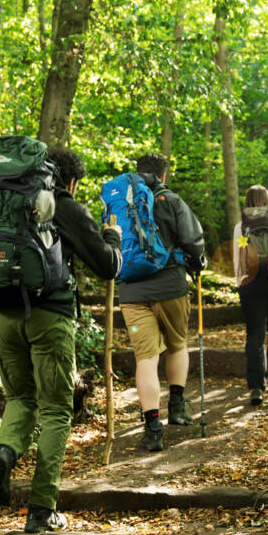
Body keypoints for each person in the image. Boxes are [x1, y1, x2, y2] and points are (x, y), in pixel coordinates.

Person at [0, 146, 122, 533]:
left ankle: (4, 452)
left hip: (1, 316)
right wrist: (113, 238)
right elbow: (107, 265)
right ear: (70, 180)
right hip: (49, 316)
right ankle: (41, 509)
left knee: (20, 399)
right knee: (55, 410)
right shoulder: (64, 206)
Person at [119, 154, 205, 452]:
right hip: (171, 286)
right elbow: (193, 241)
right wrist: (197, 263)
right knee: (177, 344)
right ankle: (178, 409)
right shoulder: (172, 201)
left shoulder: (121, 200)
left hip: (131, 292)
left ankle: (152, 428)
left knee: (145, 358)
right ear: (163, 176)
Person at [232, 185, 268, 406]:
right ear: (267, 200)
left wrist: (240, 282)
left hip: (251, 282)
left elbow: (239, 256)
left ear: (247, 202)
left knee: (255, 333)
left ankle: (256, 386)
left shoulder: (241, 226)